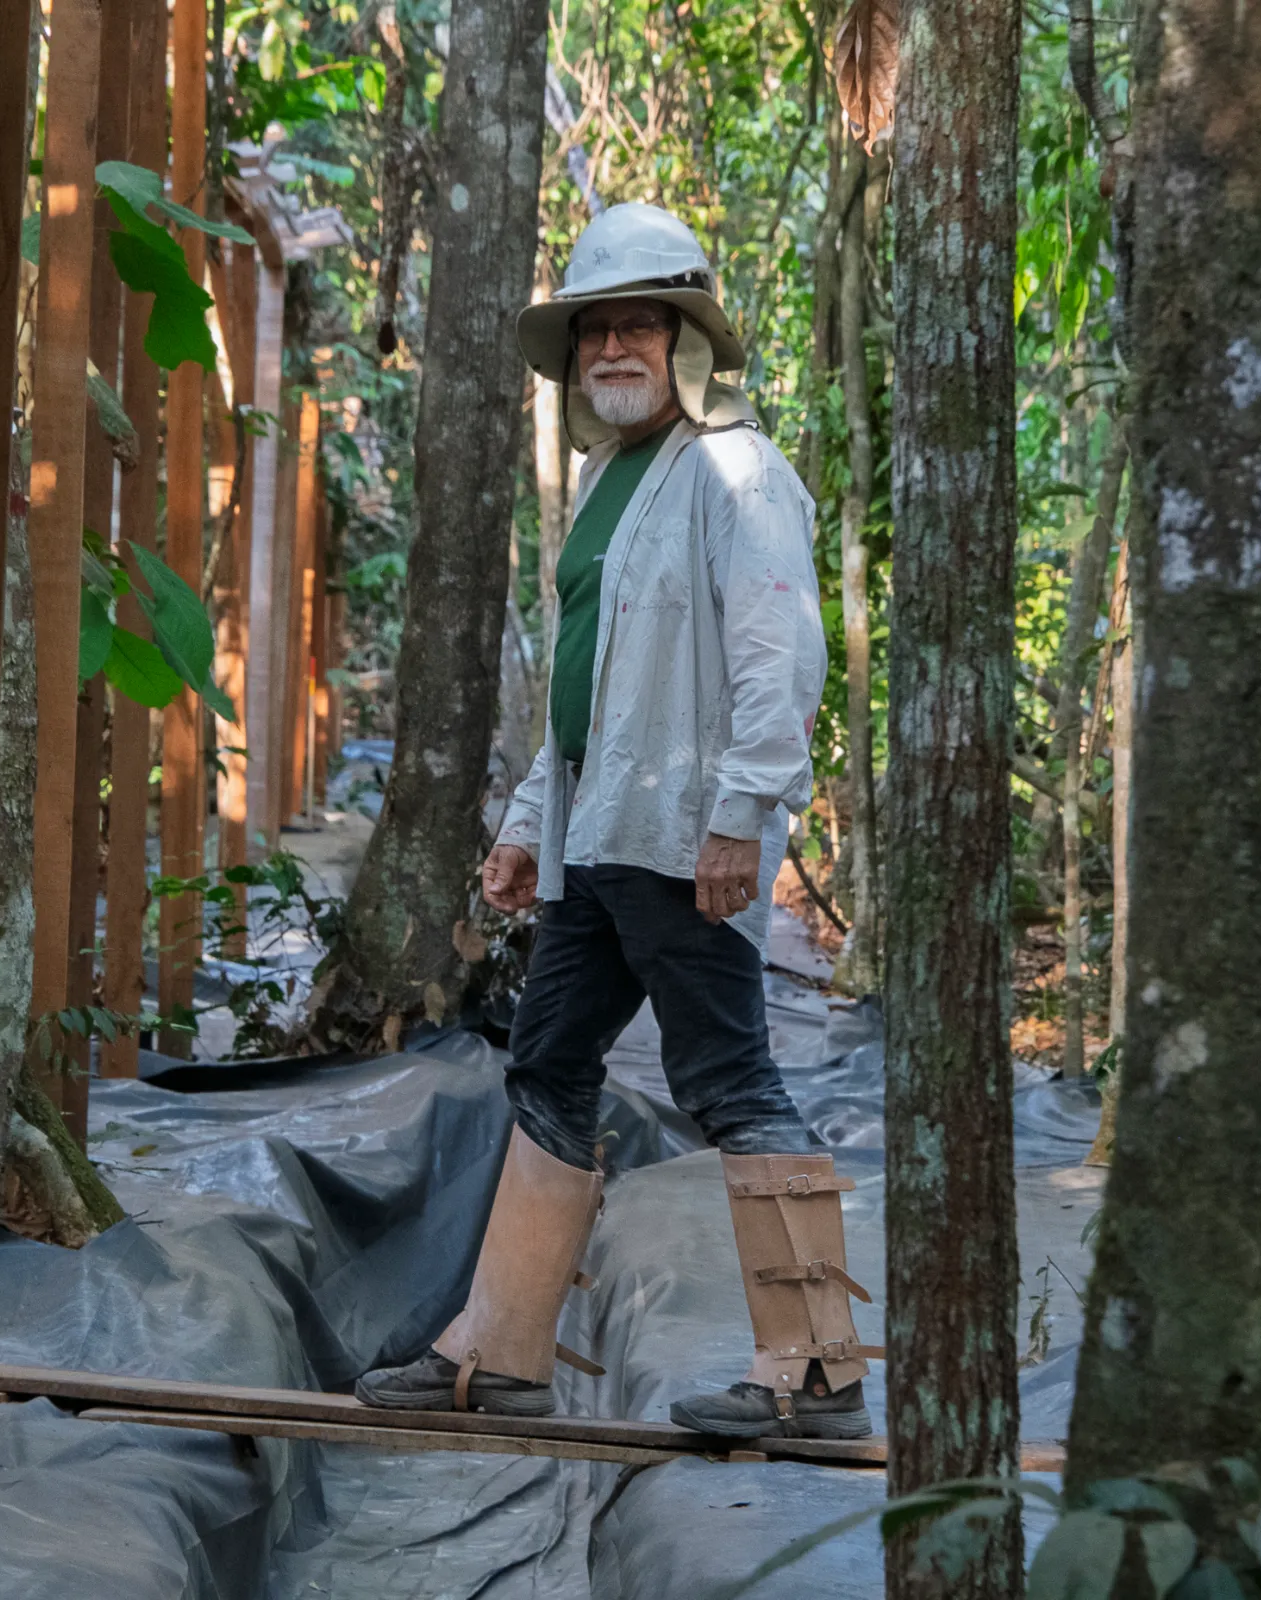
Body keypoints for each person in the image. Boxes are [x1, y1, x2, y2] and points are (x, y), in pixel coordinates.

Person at [354, 203, 880, 1440]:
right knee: (547, 1059)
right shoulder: (607, 479)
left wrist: (745, 817)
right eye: (597, 332)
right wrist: (534, 821)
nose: (614, 351)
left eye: (638, 325)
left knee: (729, 1078)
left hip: (684, 834)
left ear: (687, 339)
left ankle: (818, 1375)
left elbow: (780, 651)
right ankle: (499, 1351)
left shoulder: (736, 468)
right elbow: (586, 688)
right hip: (600, 837)